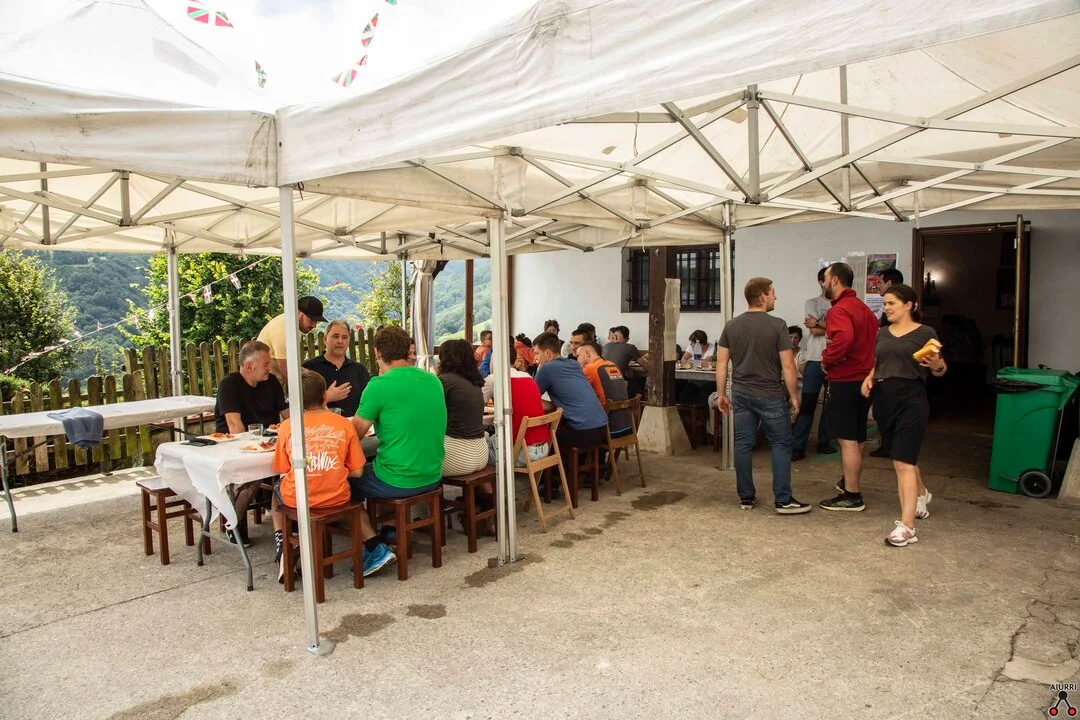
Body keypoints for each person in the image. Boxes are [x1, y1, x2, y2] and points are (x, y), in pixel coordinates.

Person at [271, 369, 395, 580]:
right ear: (325, 395)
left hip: (298, 498)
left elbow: (282, 469)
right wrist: (332, 469)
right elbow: (357, 471)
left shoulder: (287, 426)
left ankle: (283, 543)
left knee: (275, 493)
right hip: (337, 497)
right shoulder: (344, 424)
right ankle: (374, 544)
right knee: (354, 499)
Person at [715, 278, 810, 515]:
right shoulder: (777, 325)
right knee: (780, 443)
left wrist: (721, 394)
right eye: (773, 292)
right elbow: (788, 365)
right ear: (762, 296)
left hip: (741, 393)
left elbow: (722, 363)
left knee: (743, 443)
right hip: (770, 394)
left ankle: (746, 497)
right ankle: (783, 500)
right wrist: (793, 395)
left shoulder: (731, 325)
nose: (775, 297)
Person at [861, 284, 946, 546]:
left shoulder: (925, 333)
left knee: (903, 462)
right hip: (884, 399)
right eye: (884, 303)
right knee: (901, 455)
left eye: (891, 303)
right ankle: (921, 493)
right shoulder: (882, 333)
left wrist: (936, 365)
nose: (886, 308)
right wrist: (869, 377)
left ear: (908, 305)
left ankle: (907, 527)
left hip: (912, 397)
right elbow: (878, 362)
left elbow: (940, 369)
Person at [350, 326, 446, 508]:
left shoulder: (379, 385)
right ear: (407, 350)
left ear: (377, 352)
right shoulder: (433, 380)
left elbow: (354, 434)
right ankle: (389, 520)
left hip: (396, 480)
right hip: (433, 475)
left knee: (343, 479)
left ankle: (367, 526)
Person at [818, 262, 879, 512]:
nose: (823, 284)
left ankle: (852, 495)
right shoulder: (863, 308)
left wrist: (827, 359)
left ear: (834, 280)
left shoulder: (839, 310)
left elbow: (844, 338)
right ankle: (849, 482)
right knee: (857, 436)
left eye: (825, 279)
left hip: (846, 379)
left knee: (847, 439)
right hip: (865, 380)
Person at [214, 340, 289, 546]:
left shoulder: (271, 382)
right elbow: (233, 424)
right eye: (266, 364)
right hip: (236, 445)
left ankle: (289, 518)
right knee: (253, 476)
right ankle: (234, 523)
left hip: (269, 442)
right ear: (249, 367)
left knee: (295, 465)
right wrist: (251, 449)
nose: (270, 367)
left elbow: (286, 414)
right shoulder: (229, 384)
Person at [532, 331, 609, 474]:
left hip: (583, 432)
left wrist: (553, 406)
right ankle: (572, 475)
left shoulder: (546, 368)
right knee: (561, 429)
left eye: (536, 353)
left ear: (547, 352)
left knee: (544, 441)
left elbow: (532, 399)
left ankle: (551, 483)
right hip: (602, 429)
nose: (535, 358)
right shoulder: (574, 364)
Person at [483, 341, 550, 468]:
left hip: (521, 452)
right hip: (543, 449)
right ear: (514, 361)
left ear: (494, 360)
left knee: (475, 450)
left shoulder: (494, 379)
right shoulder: (528, 377)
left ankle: (492, 482)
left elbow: (475, 408)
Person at [793, 267, 835, 460]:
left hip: (836, 361)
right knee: (808, 404)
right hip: (815, 359)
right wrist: (832, 327)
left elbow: (842, 330)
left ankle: (824, 442)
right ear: (821, 282)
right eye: (828, 279)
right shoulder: (812, 303)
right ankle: (799, 446)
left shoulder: (840, 304)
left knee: (830, 405)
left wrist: (819, 323)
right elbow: (815, 331)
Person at [437, 339, 489, 477]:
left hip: (457, 457)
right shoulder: (474, 382)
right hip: (481, 453)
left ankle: (433, 492)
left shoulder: (445, 381)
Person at [302, 320, 371, 418]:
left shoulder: (359, 370)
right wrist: (327, 397)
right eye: (335, 336)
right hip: (320, 426)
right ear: (325, 339)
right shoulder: (309, 368)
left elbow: (370, 402)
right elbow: (300, 404)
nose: (340, 341)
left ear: (349, 341)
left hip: (354, 425)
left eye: (344, 337)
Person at [870, 268, 904, 459]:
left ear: (889, 283)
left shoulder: (898, 308)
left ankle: (891, 445)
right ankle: (890, 444)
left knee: (884, 408)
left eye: (880, 282)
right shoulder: (893, 307)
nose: (877, 286)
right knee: (883, 408)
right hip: (889, 364)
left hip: (892, 366)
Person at [257, 296, 326, 382]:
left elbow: (292, 365)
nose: (314, 326)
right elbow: (287, 371)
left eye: (317, 321)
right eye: (311, 320)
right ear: (298, 312)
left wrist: (313, 376)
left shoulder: (295, 326)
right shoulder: (283, 330)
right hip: (265, 383)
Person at [576, 341, 632, 436]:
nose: (577, 360)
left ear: (587, 353)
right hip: (627, 425)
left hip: (607, 427)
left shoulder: (590, 369)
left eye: (578, 356)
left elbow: (575, 392)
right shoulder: (612, 365)